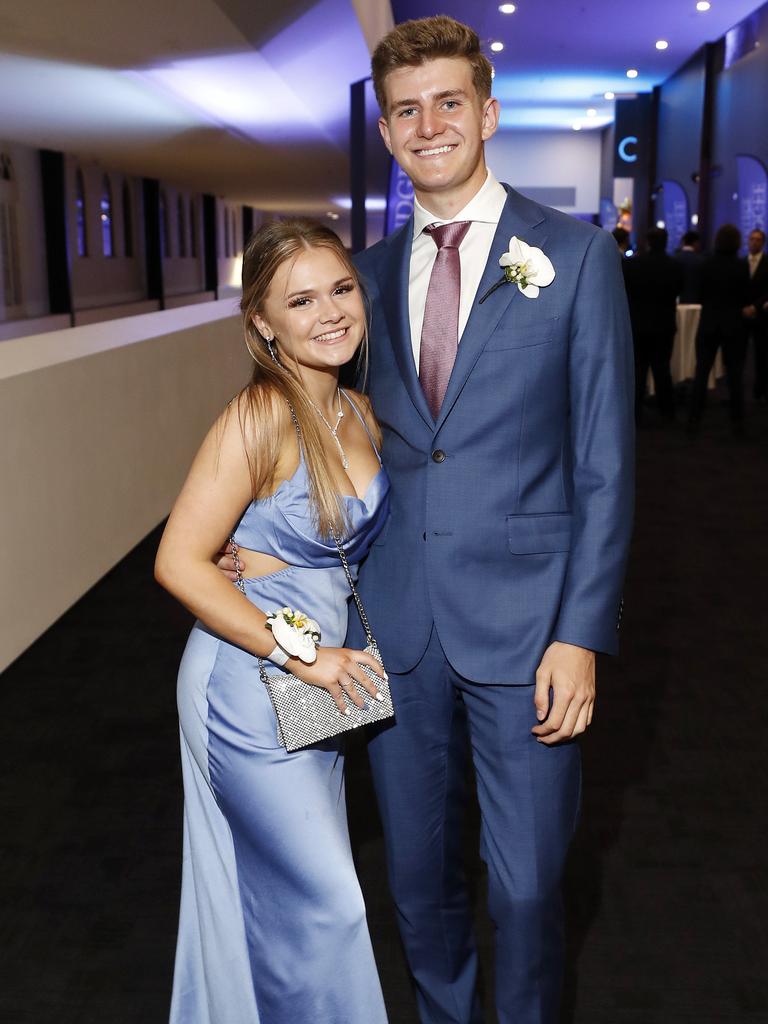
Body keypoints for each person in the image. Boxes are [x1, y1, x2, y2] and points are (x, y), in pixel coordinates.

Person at [219, 15, 633, 1023]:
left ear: (487, 113)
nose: (428, 123)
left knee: (530, 884)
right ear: (391, 132)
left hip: (531, 627)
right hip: (393, 629)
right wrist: (257, 537)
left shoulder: (573, 257)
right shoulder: (359, 270)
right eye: (406, 109)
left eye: (449, 102)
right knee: (416, 878)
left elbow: (606, 465)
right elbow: (316, 417)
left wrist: (581, 632)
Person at [155, 219, 390, 1023]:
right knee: (330, 906)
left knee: (289, 901)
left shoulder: (357, 411)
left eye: (341, 288)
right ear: (263, 322)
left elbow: (337, 546)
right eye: (300, 299)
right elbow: (178, 561)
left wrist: (278, 562)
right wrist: (306, 653)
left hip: (315, 687)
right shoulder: (259, 415)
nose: (329, 312)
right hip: (249, 687)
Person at [688, 224, 751, 436]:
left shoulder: (706, 264)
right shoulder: (742, 266)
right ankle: (738, 422)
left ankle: (694, 419)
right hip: (734, 325)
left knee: (702, 372)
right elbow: (745, 296)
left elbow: (699, 294)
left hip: (709, 323)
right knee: (734, 374)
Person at [623, 227, 684, 423]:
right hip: (664, 325)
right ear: (666, 242)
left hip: (638, 325)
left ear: (648, 242)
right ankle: (667, 412)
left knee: (638, 370)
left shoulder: (633, 265)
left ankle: (635, 412)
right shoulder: (674, 266)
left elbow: (627, 292)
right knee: (662, 369)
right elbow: (677, 292)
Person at [743, 227, 768, 403]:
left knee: (762, 355)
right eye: (752, 239)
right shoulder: (741, 262)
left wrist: (755, 306)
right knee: (739, 355)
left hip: (762, 315)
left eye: (758, 239)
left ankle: (760, 391)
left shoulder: (767, 263)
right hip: (742, 315)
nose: (754, 242)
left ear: (763, 243)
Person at [673, 229, 703, 304]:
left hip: (677, 302)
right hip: (696, 302)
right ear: (696, 243)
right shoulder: (701, 261)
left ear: (683, 242)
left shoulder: (674, 259)